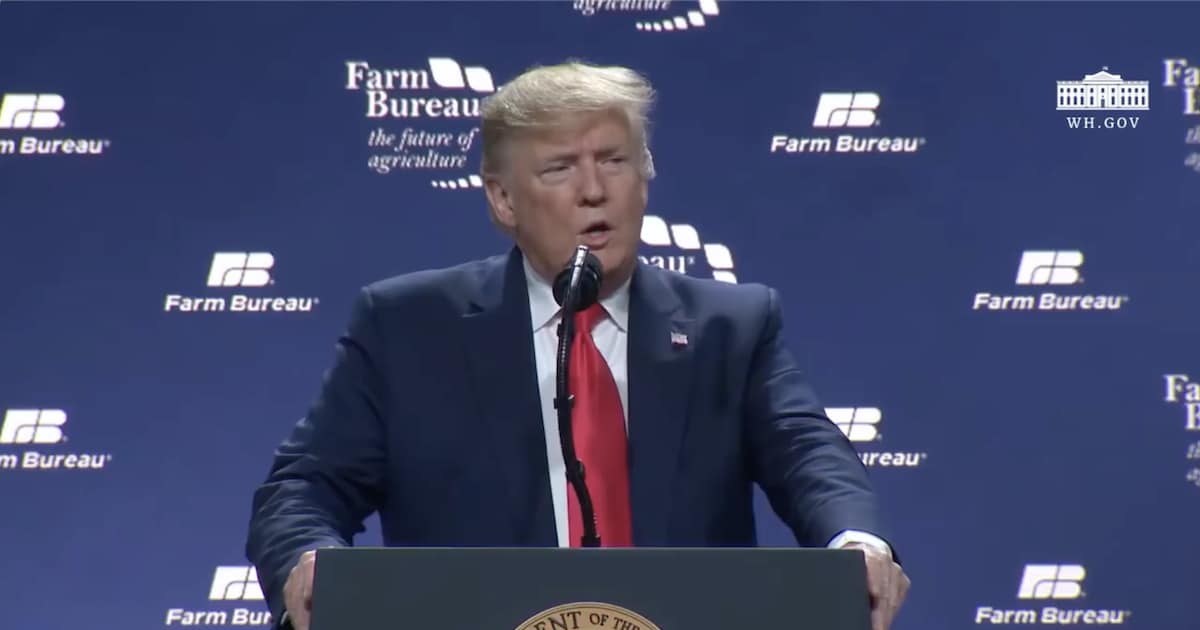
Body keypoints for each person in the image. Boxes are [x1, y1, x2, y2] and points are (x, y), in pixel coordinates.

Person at [244, 59, 910, 630]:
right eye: (561, 168)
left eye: (615, 161)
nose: (595, 190)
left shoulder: (732, 327)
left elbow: (807, 453)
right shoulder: (407, 326)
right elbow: (304, 486)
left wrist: (854, 539)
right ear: (503, 199)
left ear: (644, 176)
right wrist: (308, 561)